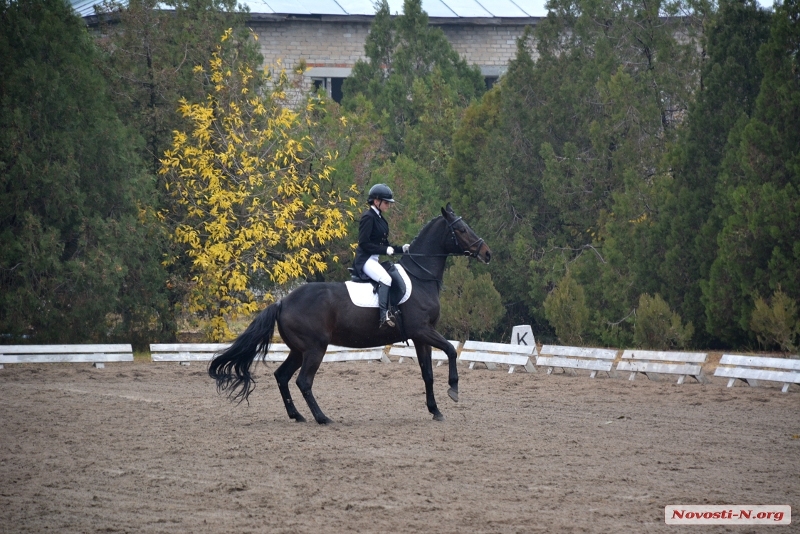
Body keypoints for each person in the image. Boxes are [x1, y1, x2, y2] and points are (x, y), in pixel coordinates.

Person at [352, 183, 410, 328]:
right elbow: (364, 243)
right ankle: (383, 315)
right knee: (385, 278)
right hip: (365, 260)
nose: (388, 206)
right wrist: (385, 251)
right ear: (376, 201)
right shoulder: (368, 217)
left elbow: (386, 245)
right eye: (386, 203)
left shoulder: (380, 219)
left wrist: (401, 249)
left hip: (374, 259)